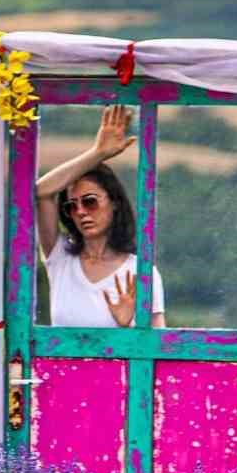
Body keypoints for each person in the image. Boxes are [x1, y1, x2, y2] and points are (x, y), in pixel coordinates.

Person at [35, 105, 165, 328]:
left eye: (90, 201)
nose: (81, 212)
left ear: (114, 202)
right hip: (60, 364)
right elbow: (41, 192)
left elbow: (160, 349)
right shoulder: (60, 258)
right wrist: (98, 153)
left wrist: (126, 327)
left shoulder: (140, 272)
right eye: (71, 206)